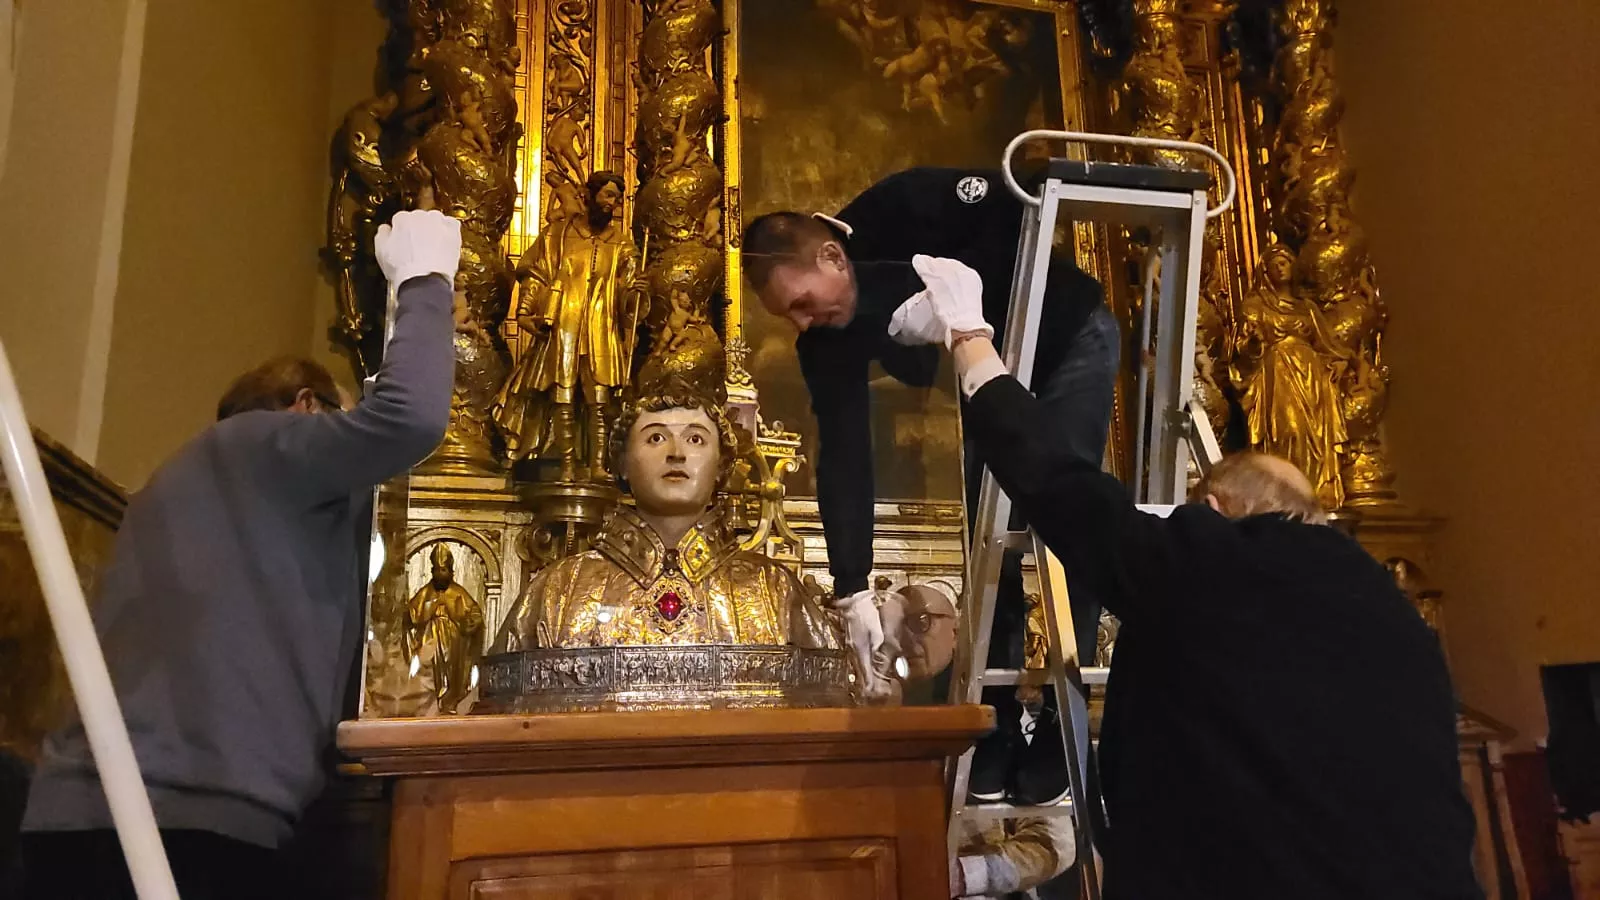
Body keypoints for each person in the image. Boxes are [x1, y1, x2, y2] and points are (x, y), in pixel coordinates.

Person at [907, 254, 1484, 899]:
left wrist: (969, 340)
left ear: (1210, 509)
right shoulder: (1393, 608)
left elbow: (1059, 488)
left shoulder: (1218, 561)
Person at [17, 209, 462, 900]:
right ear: (308, 408)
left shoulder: (185, 484)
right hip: (185, 822)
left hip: (107, 815)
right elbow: (409, 418)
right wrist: (426, 276)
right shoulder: (264, 444)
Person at [742, 167, 1118, 803]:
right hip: (993, 377)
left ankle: (1061, 726)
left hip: (1063, 337)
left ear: (833, 256)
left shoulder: (903, 205)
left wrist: (957, 279)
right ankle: (996, 724)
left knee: (1066, 520)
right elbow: (843, 458)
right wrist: (852, 588)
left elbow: (1017, 205)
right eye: (788, 316)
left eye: (803, 302)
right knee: (988, 536)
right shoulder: (825, 340)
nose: (803, 323)